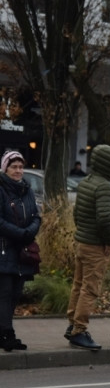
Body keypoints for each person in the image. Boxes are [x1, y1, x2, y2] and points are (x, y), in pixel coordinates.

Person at [66, 143, 110, 351]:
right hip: (96, 245)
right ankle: (79, 330)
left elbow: (76, 213)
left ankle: (72, 324)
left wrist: (82, 232)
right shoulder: (105, 187)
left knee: (78, 285)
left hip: (82, 242)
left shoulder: (86, 182)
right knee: (90, 289)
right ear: (109, 163)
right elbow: (105, 219)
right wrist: (109, 241)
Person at [0, 150, 41, 352]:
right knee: (5, 293)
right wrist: (20, 233)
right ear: (5, 168)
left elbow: (36, 215)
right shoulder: (1, 189)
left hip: (23, 250)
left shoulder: (27, 190)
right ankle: (7, 333)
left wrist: (29, 232)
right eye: (14, 166)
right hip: (5, 248)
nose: (18, 171)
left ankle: (5, 331)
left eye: (20, 167)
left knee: (16, 292)